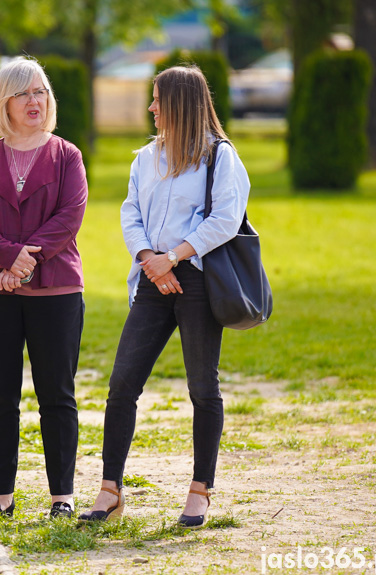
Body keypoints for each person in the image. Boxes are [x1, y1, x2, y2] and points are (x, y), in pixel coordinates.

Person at [78, 65, 251, 528]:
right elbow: (129, 211)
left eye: (157, 99)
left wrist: (172, 256)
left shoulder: (220, 156)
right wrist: (148, 257)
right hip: (152, 281)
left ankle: (200, 489)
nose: (151, 108)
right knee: (121, 384)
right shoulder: (145, 158)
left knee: (201, 386)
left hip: (195, 280)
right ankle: (110, 489)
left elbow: (226, 219)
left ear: (179, 103)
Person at [0, 58, 87, 523]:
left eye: (40, 92)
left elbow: (69, 216)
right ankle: (1, 496)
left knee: (56, 393)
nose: (34, 101)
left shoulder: (67, 155)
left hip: (55, 290)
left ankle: (61, 496)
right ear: (4, 103)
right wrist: (7, 259)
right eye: (23, 94)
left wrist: (23, 260)